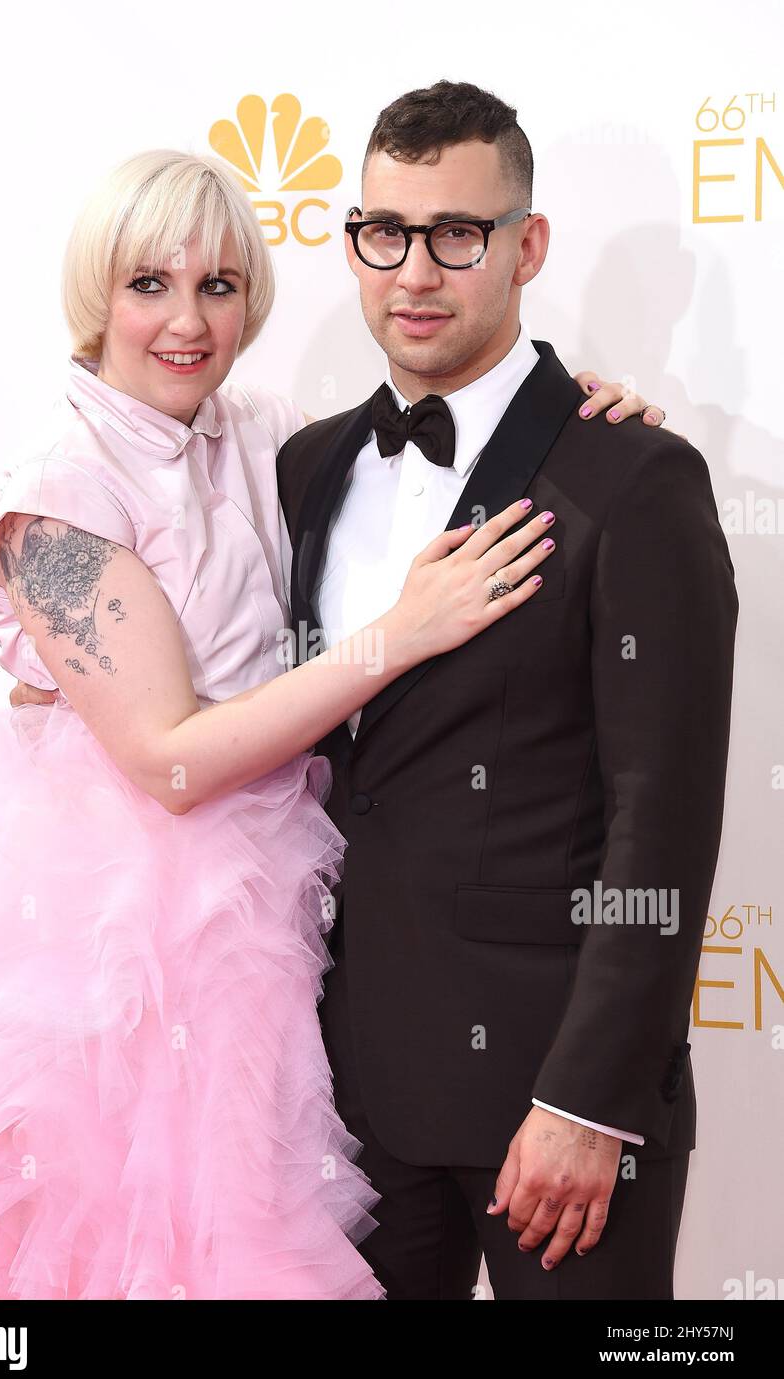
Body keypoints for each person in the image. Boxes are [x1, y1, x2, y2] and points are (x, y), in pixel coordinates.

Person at [0, 147, 577, 1302]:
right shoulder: (56, 491)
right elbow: (169, 758)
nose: (187, 321)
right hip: (125, 940)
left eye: (218, 285)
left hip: (300, 903)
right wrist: (397, 635)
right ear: (96, 295)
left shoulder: (257, 425)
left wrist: (583, 414)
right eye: (148, 284)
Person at [272, 80, 737, 1300]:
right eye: (384, 232)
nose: (413, 272)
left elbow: (662, 820)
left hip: (551, 1103)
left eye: (455, 235)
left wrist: (588, 1097)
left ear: (525, 246)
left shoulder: (630, 477)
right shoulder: (304, 466)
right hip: (340, 1096)